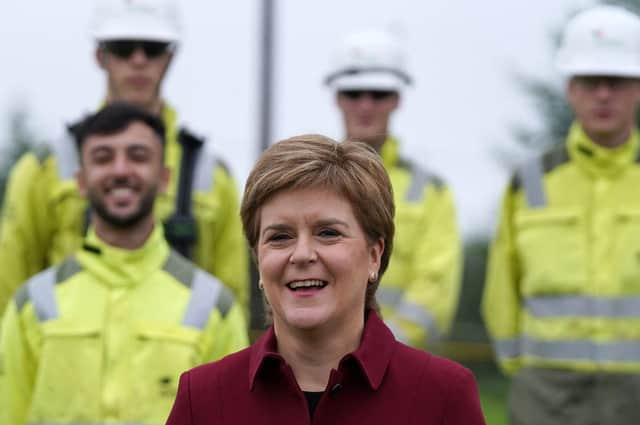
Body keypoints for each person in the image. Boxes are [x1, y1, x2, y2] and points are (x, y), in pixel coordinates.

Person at [165, 135, 486, 425]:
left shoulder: (443, 395)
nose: (302, 254)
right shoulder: (203, 397)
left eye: (328, 233)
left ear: (374, 255)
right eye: (280, 237)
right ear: (258, 259)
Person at [0, 103, 248, 425]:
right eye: (103, 158)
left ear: (164, 179)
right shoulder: (31, 305)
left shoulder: (213, 307)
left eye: (138, 156)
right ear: (81, 181)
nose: (120, 170)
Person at [0, 0, 248, 315]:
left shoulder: (209, 174)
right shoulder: (45, 167)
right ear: (100, 56)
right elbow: (9, 292)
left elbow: (232, 302)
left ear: (169, 59)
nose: (139, 60)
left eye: (153, 48)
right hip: (68, 353)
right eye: (123, 47)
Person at [483, 5, 640, 425]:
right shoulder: (531, 181)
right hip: (545, 396)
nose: (603, 94)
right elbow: (502, 284)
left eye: (617, 82)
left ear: (638, 88)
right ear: (571, 88)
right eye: (591, 82)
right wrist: (520, 364)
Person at [324, 29, 462, 349]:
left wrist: (381, 346)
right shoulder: (310, 184)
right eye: (354, 93)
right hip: (319, 359)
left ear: (397, 99)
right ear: (337, 98)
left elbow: (436, 286)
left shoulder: (431, 192)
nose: (366, 105)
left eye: (378, 93)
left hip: (401, 361)